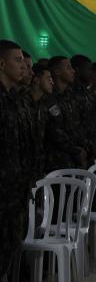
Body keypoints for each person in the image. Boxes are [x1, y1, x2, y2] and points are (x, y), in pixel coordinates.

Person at [0, 40, 28, 280]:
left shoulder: (13, 98)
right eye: (17, 60)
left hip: (12, 189)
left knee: (9, 248)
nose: (23, 66)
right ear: (2, 63)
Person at [46, 56, 88, 170]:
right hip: (57, 161)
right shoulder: (48, 97)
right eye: (68, 68)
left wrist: (83, 148)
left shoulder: (72, 96)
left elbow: (78, 125)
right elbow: (54, 130)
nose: (73, 71)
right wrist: (75, 150)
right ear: (57, 72)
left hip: (77, 158)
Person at [70, 55, 96, 161]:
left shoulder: (87, 92)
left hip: (90, 147)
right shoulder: (70, 92)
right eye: (88, 69)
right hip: (77, 151)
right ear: (77, 69)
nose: (91, 73)